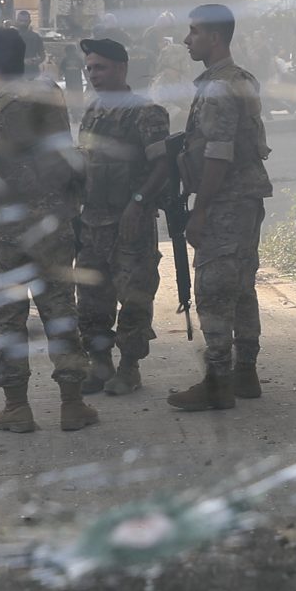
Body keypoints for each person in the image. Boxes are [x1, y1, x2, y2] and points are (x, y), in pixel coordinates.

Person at [0, 25, 92, 432]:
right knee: (60, 310)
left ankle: (17, 407)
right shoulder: (50, 95)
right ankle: (73, 404)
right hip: (53, 223)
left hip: (6, 229)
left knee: (8, 318)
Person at [168, 4, 272, 412]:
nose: (186, 39)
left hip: (226, 200)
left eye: (193, 32)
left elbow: (218, 153)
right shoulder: (240, 79)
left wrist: (201, 209)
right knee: (243, 286)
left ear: (214, 38)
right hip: (246, 199)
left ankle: (217, 381)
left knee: (213, 290)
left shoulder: (217, 87)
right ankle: (246, 373)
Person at [72, 38, 171, 398]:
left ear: (121, 69)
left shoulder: (146, 113)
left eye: (101, 67)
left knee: (134, 300)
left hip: (130, 224)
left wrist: (139, 202)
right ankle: (100, 366)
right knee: (92, 301)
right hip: (93, 223)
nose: (94, 74)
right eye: (90, 68)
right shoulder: (93, 111)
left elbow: (162, 165)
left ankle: (129, 369)